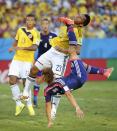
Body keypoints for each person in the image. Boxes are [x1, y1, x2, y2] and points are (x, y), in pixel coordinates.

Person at [21, 14, 113, 119]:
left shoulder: (78, 32)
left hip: (61, 57)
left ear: (81, 24)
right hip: (52, 51)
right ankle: (26, 92)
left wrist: (63, 50)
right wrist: (61, 19)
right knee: (33, 69)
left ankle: (54, 110)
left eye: (81, 18)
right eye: (79, 15)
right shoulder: (68, 23)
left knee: (57, 83)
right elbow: (60, 19)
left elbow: (77, 51)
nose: (78, 16)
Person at [8, 14, 40, 116]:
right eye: (27, 20)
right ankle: (19, 104)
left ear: (34, 22)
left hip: (27, 61)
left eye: (31, 20)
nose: (29, 22)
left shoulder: (36, 33)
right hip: (17, 59)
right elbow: (15, 42)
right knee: (12, 80)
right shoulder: (20, 29)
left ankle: (29, 105)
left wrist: (21, 48)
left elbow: (34, 47)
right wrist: (12, 48)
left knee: (26, 84)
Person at [33, 17, 57, 107]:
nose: (45, 26)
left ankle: (52, 100)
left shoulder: (54, 36)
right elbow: (34, 48)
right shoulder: (38, 36)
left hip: (50, 62)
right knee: (38, 80)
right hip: (40, 61)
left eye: (46, 24)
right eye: (43, 24)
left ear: (49, 25)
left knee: (51, 81)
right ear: (41, 26)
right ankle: (35, 99)